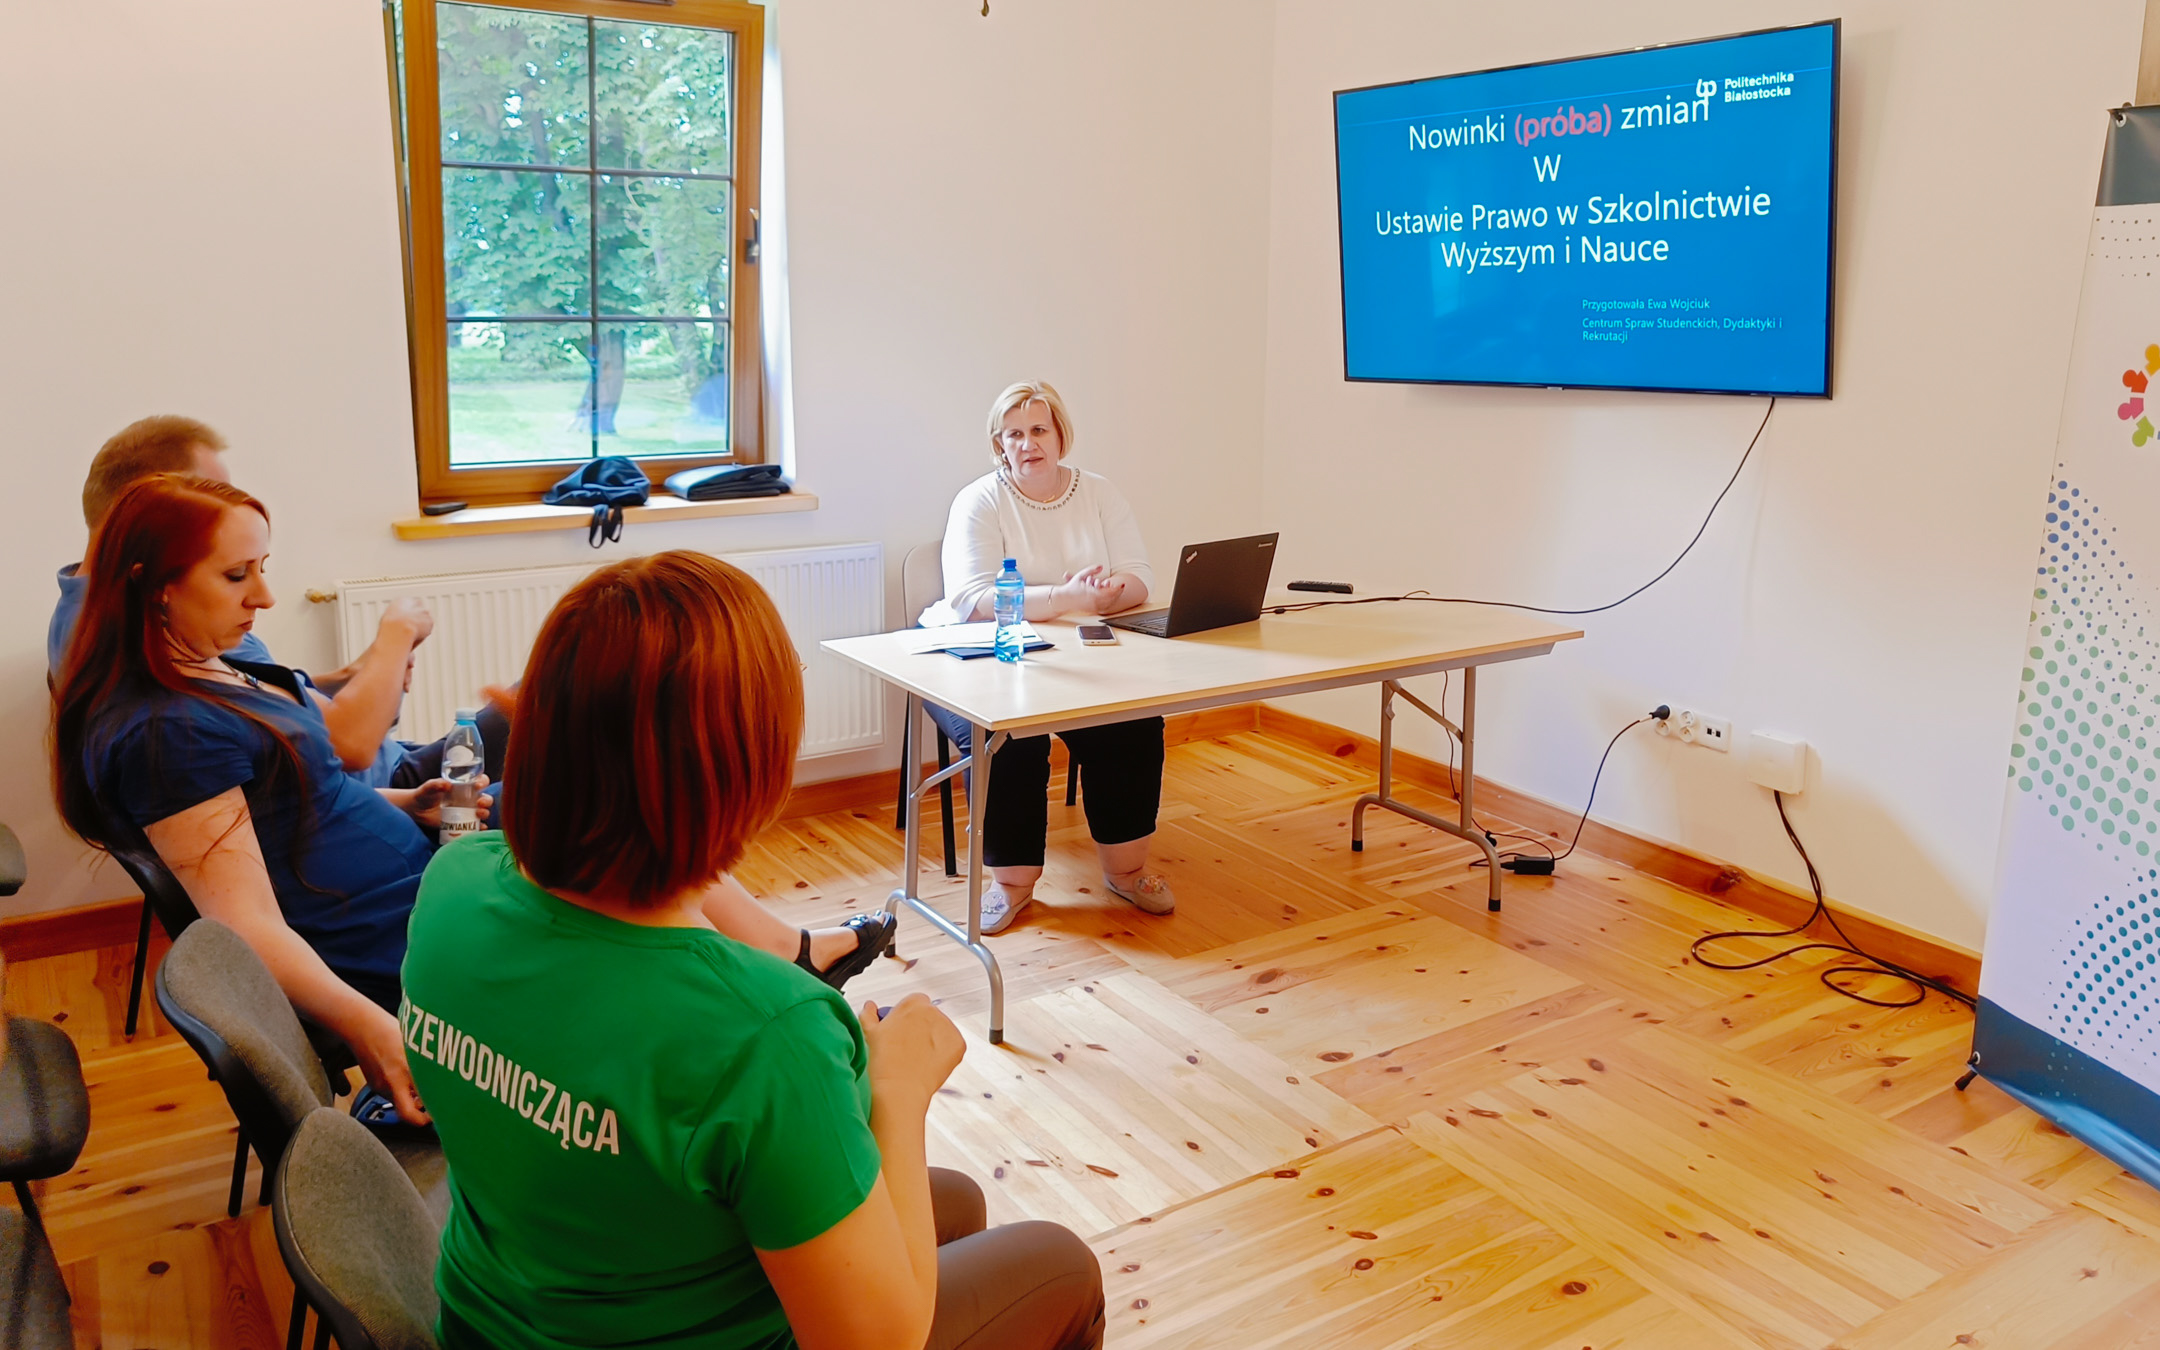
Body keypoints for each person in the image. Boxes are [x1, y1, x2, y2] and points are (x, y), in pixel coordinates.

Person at [402, 551, 1105, 1350]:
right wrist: (899, 1089)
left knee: (955, 1204)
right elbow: (880, 1343)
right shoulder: (768, 1035)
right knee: (1062, 1264)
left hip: (495, 1316)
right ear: (751, 773)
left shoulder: (454, 881)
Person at [50, 476, 893, 1124]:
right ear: (152, 586)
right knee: (617, 803)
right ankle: (763, 994)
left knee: (596, 784)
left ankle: (771, 962)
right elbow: (247, 926)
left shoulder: (202, 661)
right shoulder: (167, 737)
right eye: (237, 575)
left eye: (262, 570)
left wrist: (401, 803)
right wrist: (374, 1029)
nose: (263, 597)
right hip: (403, 933)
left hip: (418, 869)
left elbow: (290, 804)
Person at [47, 414, 477, 788]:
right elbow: (348, 744)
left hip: (385, 780)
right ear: (152, 510)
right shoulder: (162, 626)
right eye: (211, 496)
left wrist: (356, 674)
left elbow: (258, 698)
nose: (263, 597)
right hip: (375, 783)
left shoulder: (80, 609)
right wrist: (397, 633)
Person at [922, 379, 1175, 934]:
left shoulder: (1099, 492)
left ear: (1061, 435)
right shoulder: (979, 499)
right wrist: (1064, 597)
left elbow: (1140, 577)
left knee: (1132, 721)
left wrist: (1108, 595)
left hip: (1075, 654)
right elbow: (972, 600)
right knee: (1010, 737)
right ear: (999, 444)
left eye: (1039, 429)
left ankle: (1127, 872)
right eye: (1013, 434)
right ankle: (1010, 885)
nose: (1027, 443)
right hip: (973, 656)